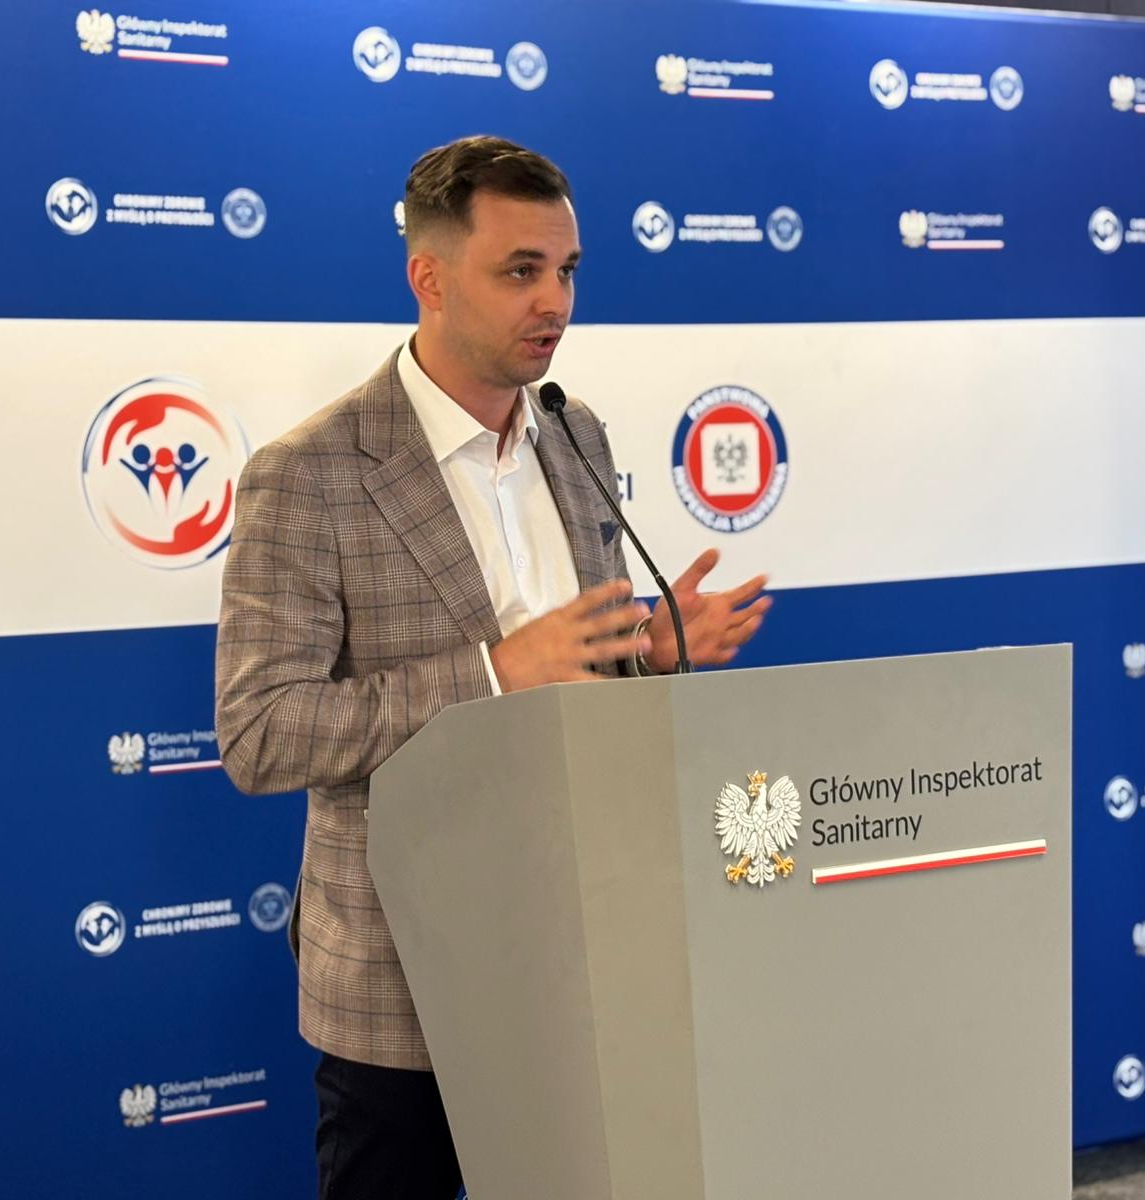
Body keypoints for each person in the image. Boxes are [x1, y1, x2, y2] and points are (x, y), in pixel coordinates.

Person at [215, 135, 771, 1199]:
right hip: (404, 979)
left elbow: (571, 679)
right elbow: (260, 734)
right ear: (427, 277)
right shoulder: (308, 474)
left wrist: (644, 654)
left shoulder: (575, 432)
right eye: (520, 270)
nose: (554, 301)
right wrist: (491, 671)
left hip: (584, 950)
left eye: (567, 270)